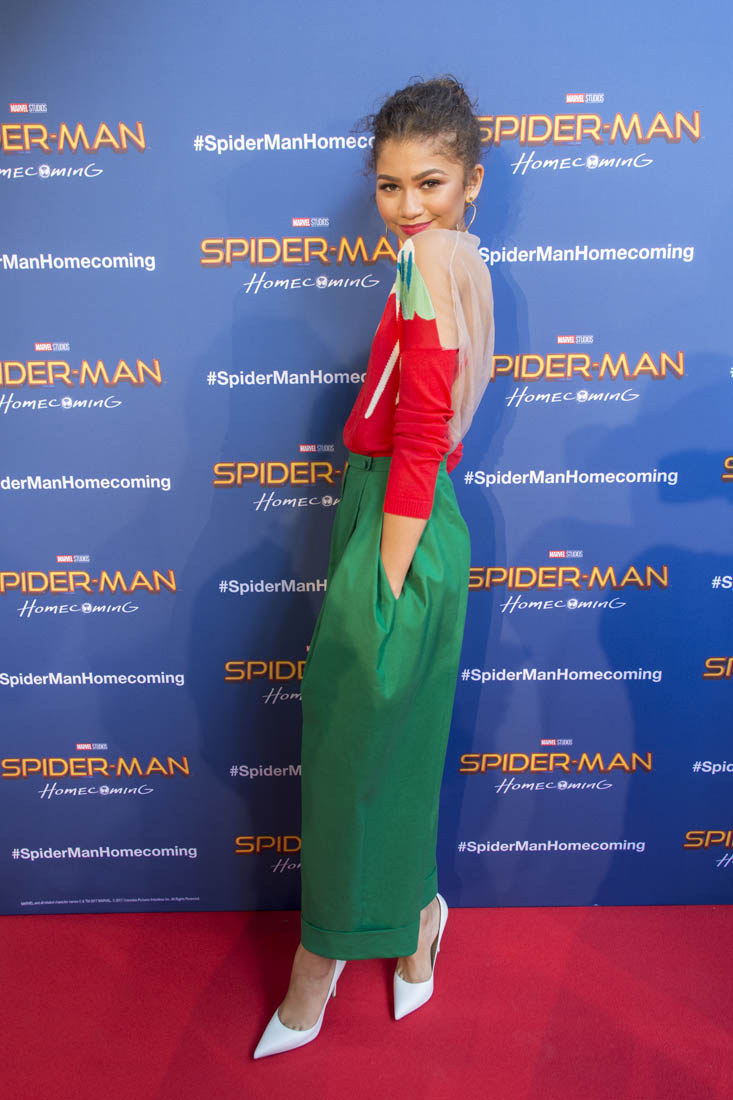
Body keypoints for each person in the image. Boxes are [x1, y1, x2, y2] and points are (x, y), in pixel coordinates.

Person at [254, 75, 495, 1059]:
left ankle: (320, 962)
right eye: (389, 185)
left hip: (401, 522)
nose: (406, 204)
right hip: (406, 515)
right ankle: (418, 913)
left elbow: (425, 425)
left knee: (352, 755)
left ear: (470, 181)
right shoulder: (455, 255)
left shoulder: (430, 258)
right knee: (391, 750)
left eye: (429, 182)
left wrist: (384, 576)